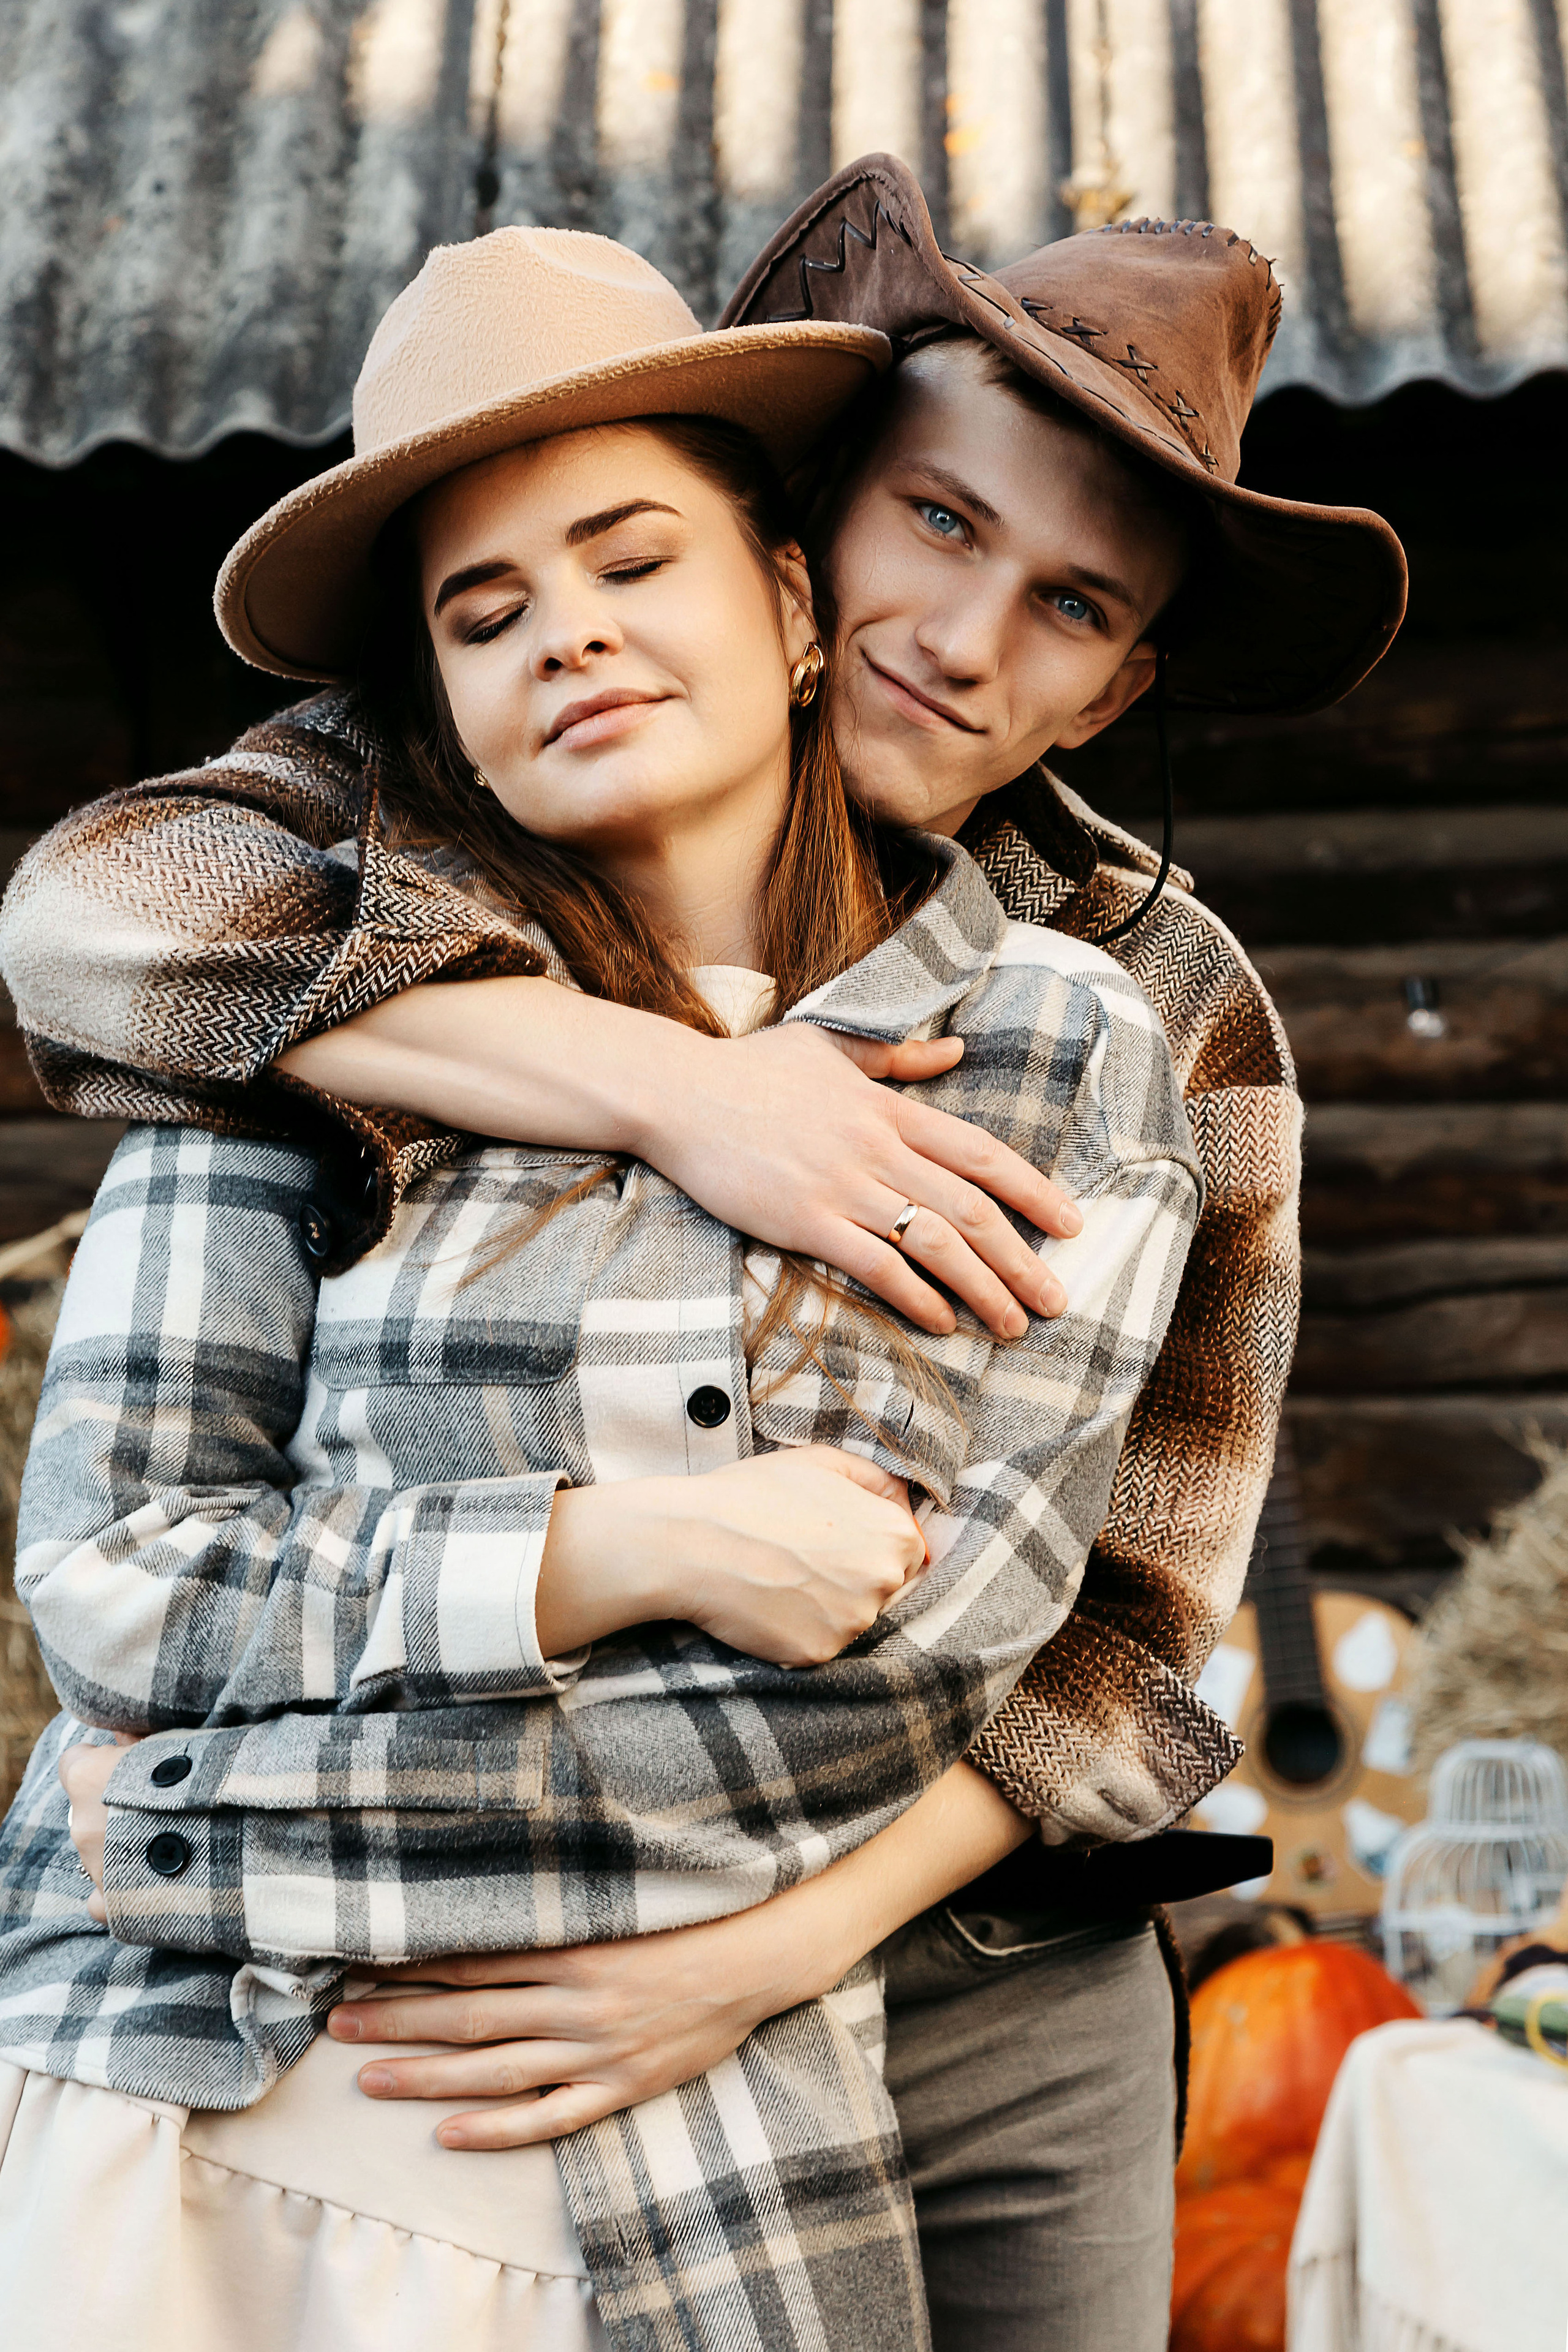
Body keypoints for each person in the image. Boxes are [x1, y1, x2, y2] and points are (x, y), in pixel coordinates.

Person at [0, 159, 1408, 2347]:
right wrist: (673, 1085)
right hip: (457, 1944)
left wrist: (765, 1947)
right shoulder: (434, 805)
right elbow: (92, 931)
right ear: (818, 524)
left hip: (979, 1942)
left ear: (1117, 683)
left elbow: (1129, 1617)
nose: (964, 636)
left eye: (1068, 604)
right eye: (940, 521)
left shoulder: (1143, 1003)